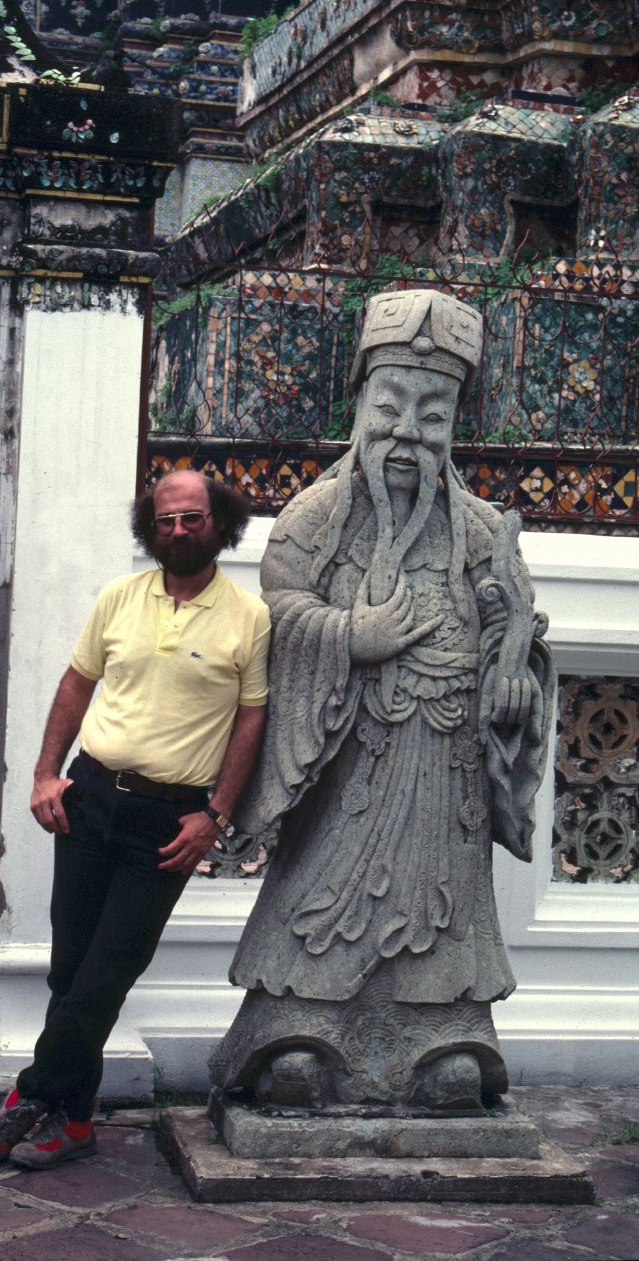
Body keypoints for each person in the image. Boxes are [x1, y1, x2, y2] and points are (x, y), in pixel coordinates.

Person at [210, 289, 553, 1111]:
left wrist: (512, 671)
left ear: (452, 430)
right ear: (361, 406)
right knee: (324, 884)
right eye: (390, 408)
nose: (406, 432)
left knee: (442, 901)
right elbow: (281, 610)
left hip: (445, 767)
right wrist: (347, 637)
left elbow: (515, 619)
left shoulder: (476, 530)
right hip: (348, 756)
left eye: (430, 417)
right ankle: (293, 1030)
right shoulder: (315, 519)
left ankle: (443, 1040)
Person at [0, 470, 270, 1168]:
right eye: (165, 520)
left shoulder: (248, 618)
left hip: (168, 825)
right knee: (71, 973)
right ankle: (74, 1125)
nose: (178, 530)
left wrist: (216, 816)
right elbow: (76, 683)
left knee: (108, 972)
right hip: (90, 800)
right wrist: (47, 773)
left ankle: (27, 1098)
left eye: (192, 518)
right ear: (148, 527)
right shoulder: (118, 598)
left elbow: (251, 721)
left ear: (220, 524)